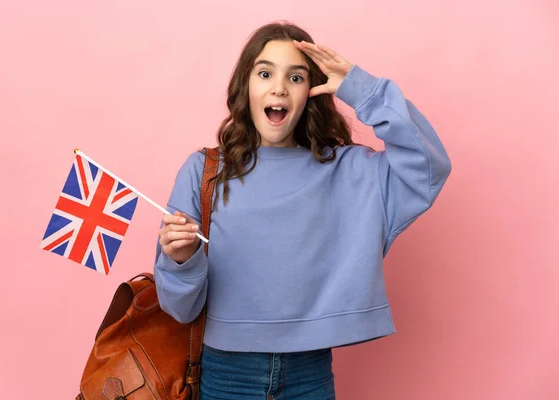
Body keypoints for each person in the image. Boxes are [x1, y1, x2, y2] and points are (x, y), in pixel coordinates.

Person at [153, 21, 451, 400]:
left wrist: (363, 91)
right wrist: (182, 260)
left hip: (309, 374)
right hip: (226, 373)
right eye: (265, 73)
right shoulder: (205, 172)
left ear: (312, 91)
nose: (278, 87)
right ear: (247, 84)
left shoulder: (350, 171)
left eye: (296, 77)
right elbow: (179, 309)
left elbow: (429, 166)